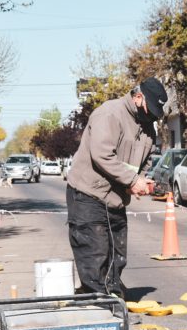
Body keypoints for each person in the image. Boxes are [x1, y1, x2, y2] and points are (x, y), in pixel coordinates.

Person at [65, 77, 167, 298]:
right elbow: (102, 155)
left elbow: (146, 160)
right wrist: (131, 180)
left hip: (116, 197)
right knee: (94, 252)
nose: (152, 116)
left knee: (117, 253)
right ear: (138, 97)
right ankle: (98, 302)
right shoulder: (110, 114)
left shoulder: (148, 126)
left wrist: (139, 180)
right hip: (88, 194)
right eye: (150, 109)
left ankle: (110, 292)